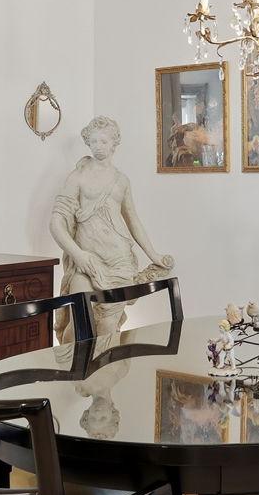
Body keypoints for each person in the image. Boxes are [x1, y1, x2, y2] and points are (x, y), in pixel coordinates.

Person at [49, 116, 173, 341]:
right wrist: (79, 255)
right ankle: (72, 370)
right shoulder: (77, 177)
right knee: (79, 324)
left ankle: (108, 373)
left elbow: (133, 221)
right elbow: (56, 223)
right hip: (87, 262)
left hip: (119, 262)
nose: (98, 146)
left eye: (104, 141)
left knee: (107, 328)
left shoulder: (121, 181)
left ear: (114, 144)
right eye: (94, 141)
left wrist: (154, 255)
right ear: (88, 142)